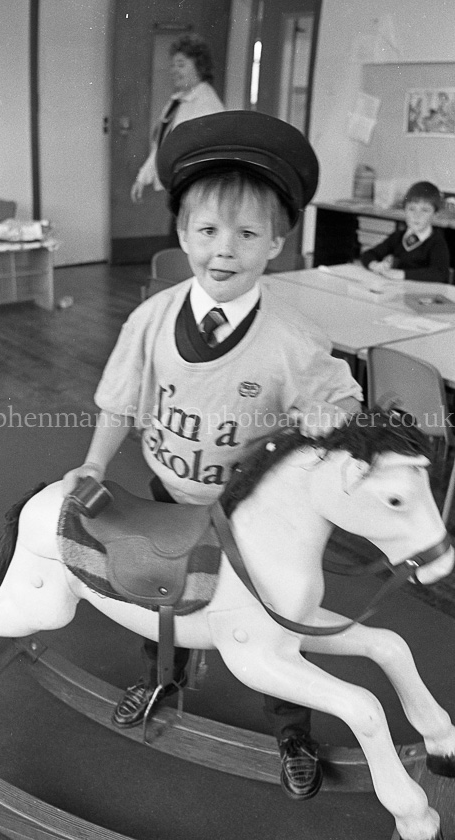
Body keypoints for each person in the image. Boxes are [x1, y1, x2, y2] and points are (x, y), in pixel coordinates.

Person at [63, 111, 362, 801]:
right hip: (169, 499)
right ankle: (165, 676)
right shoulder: (153, 318)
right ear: (182, 234)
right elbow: (121, 401)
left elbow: (345, 401)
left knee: (274, 625)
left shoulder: (294, 339)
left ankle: (292, 725)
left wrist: (330, 413)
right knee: (163, 594)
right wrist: (94, 464)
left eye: (248, 234)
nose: (224, 251)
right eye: (207, 231)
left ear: (277, 244)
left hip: (250, 514)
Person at [130, 34, 224, 205]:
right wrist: (142, 178)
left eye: (181, 64)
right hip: (179, 187)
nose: (174, 70)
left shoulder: (207, 103)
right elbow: (162, 145)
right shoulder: (176, 102)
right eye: (172, 65)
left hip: (197, 191)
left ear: (199, 66)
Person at [359, 180, 450, 283]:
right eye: (411, 209)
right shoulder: (398, 237)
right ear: (404, 210)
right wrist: (375, 265)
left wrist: (403, 274)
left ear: (435, 214)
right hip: (398, 290)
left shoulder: (436, 242)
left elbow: (440, 274)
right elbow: (368, 254)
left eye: (425, 210)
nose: (417, 215)